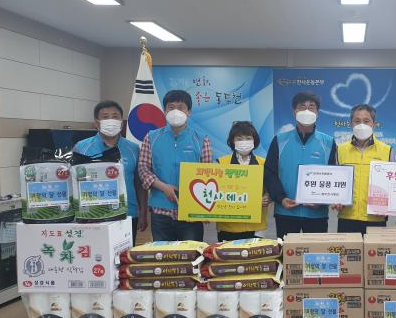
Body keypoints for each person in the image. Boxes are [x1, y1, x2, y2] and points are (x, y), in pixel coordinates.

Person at [138, 89, 213, 241]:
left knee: (191, 254)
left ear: (189, 112)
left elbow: (208, 174)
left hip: (191, 212)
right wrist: (163, 187)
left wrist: (205, 209)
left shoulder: (201, 139)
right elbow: (143, 169)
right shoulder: (151, 137)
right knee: (164, 254)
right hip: (161, 211)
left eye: (181, 107)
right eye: (171, 107)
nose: (175, 112)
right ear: (164, 111)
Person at [264, 91, 337, 237]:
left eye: (311, 107)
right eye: (302, 107)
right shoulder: (279, 140)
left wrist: (321, 202)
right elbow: (270, 173)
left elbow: (333, 176)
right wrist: (281, 198)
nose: (307, 111)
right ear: (294, 112)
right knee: (287, 250)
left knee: (316, 251)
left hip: (317, 214)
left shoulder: (328, 142)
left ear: (317, 113)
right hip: (285, 211)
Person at [73, 100, 147, 244]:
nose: (111, 120)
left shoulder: (133, 149)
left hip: (127, 214)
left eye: (115, 116)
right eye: (105, 117)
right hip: (91, 216)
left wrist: (143, 211)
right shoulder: (81, 148)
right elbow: (73, 181)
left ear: (121, 123)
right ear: (96, 123)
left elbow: (139, 183)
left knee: (124, 254)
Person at [334, 104, 394, 234]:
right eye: (357, 121)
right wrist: (335, 198)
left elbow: (392, 186)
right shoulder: (340, 149)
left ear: (374, 124)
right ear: (351, 123)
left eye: (366, 121)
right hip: (347, 218)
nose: (362, 125)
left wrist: (387, 206)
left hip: (376, 218)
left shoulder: (387, 150)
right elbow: (335, 183)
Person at [216, 121, 271, 241]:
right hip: (229, 227)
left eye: (248, 138)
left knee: (256, 253)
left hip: (256, 225)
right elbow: (216, 193)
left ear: (254, 140)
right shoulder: (221, 163)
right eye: (239, 138)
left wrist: (267, 197)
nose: (244, 142)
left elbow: (270, 189)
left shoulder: (263, 163)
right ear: (232, 141)